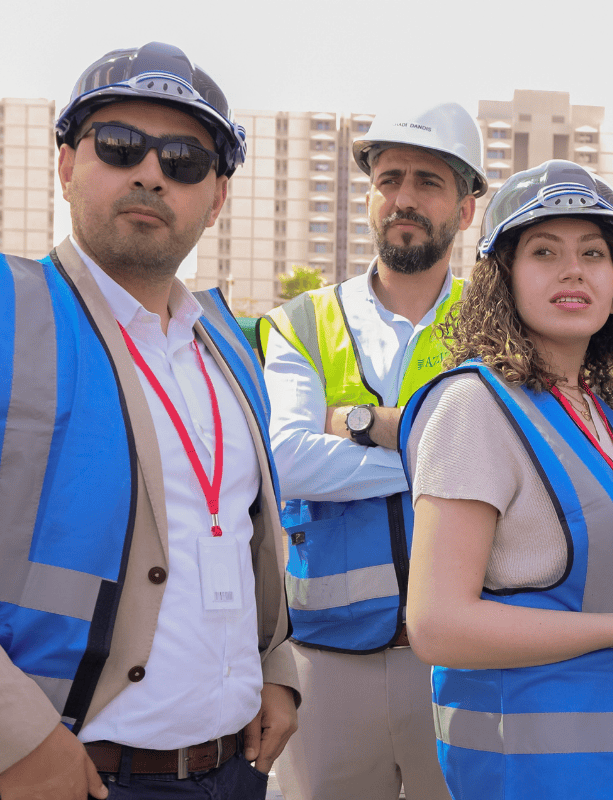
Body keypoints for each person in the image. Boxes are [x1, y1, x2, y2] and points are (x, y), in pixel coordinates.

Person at [0, 42, 297, 800]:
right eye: (118, 146)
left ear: (217, 198)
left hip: (233, 770)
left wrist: (277, 669)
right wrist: (17, 740)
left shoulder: (228, 350)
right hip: (53, 777)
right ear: (68, 165)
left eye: (184, 159)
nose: (150, 173)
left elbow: (238, 537)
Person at [399, 160, 613, 800]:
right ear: (504, 278)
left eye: (593, 253)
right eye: (544, 251)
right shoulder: (475, 406)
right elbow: (437, 624)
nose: (573, 269)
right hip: (531, 770)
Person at [258, 101, 485, 800]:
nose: (404, 199)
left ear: (468, 208)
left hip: (464, 659)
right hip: (325, 664)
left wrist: (355, 421)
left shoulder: (499, 330)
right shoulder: (302, 322)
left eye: (427, 181)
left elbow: (520, 463)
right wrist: (447, 464)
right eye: (389, 180)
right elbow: (288, 461)